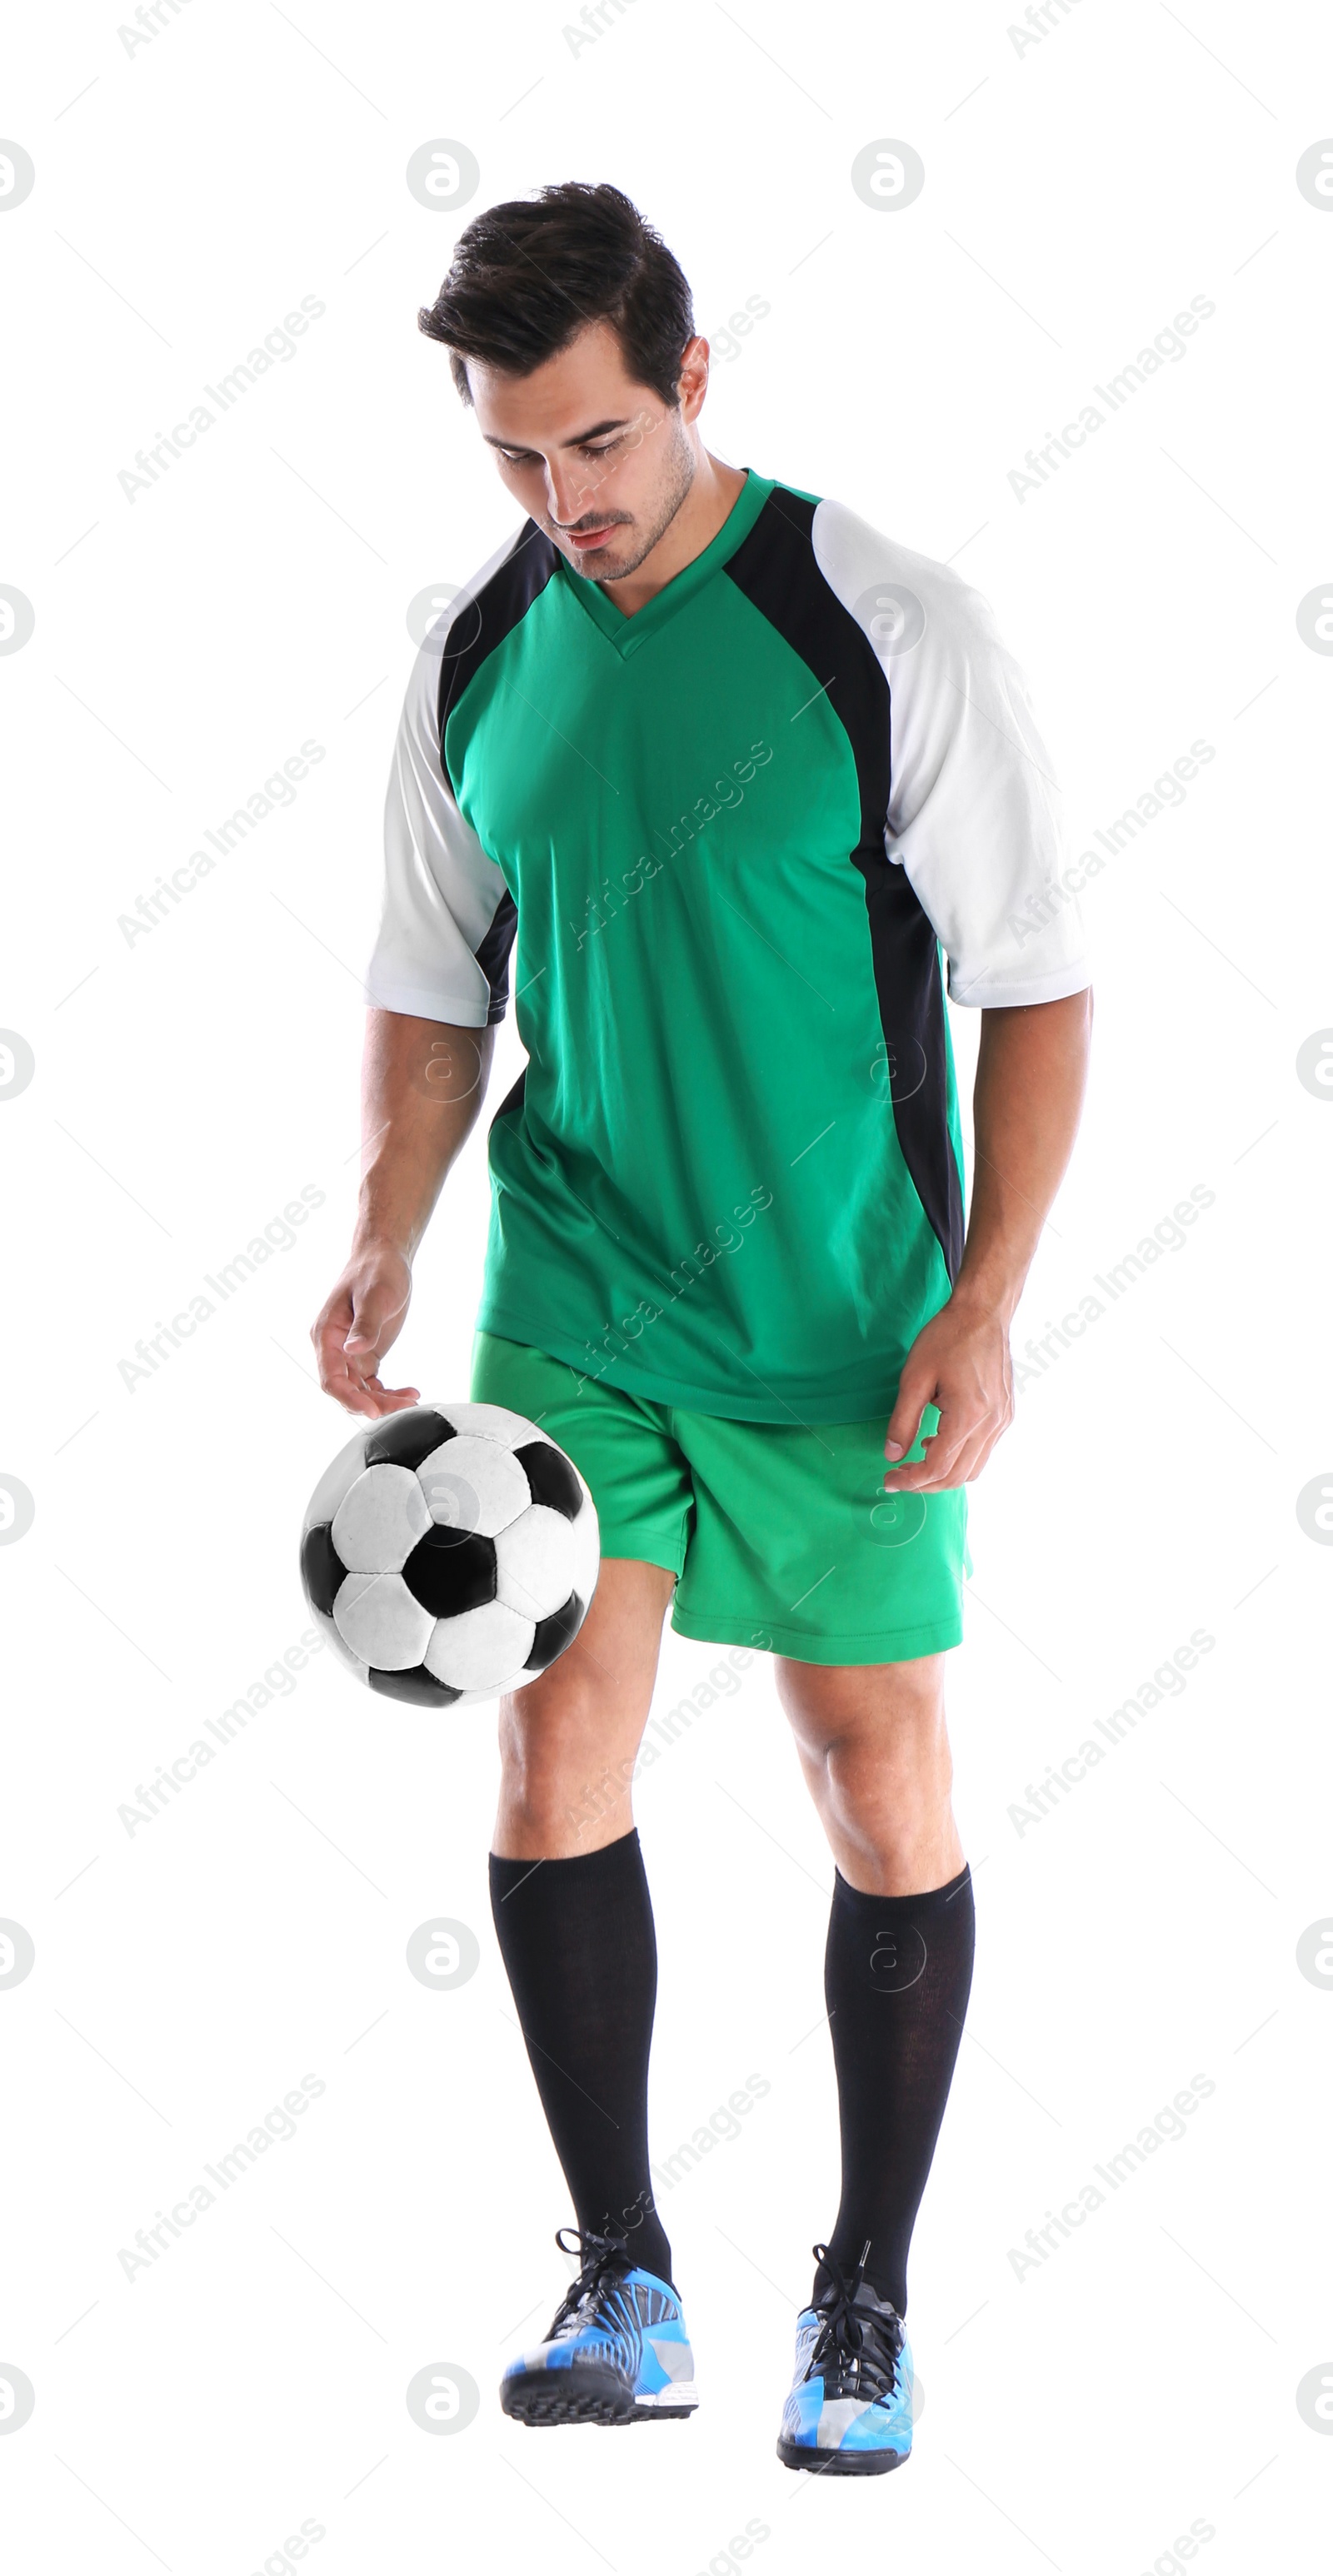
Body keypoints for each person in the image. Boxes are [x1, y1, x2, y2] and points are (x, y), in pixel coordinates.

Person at [312, 180, 1092, 2476]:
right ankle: (625, 2272)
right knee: (555, 1757)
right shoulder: (478, 650)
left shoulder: (887, 628)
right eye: (517, 461)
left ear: (694, 385)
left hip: (845, 1314)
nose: (569, 507)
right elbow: (433, 984)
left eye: (601, 448)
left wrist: (989, 1301)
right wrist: (384, 1227)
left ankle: (864, 2301)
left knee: (876, 1784)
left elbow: (1035, 983)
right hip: (580, 1297)